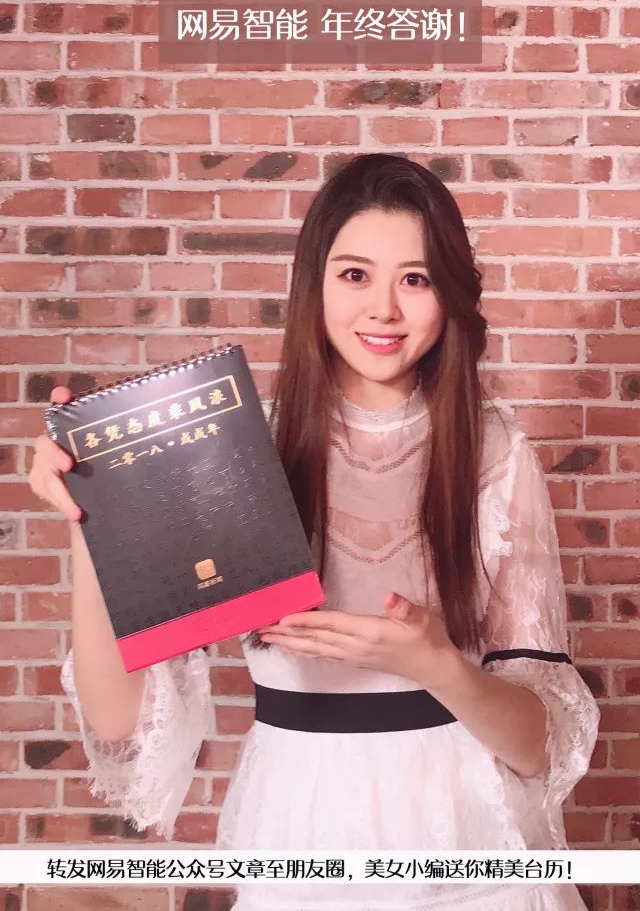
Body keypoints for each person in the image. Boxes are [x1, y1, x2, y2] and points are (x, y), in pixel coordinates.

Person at [29, 153, 600, 911]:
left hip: (469, 839)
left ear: (450, 294)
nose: (384, 310)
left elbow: (540, 748)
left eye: (416, 279)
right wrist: (89, 516)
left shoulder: (495, 453)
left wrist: (437, 664)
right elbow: (119, 718)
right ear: (314, 285)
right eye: (355, 275)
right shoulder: (236, 450)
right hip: (299, 827)